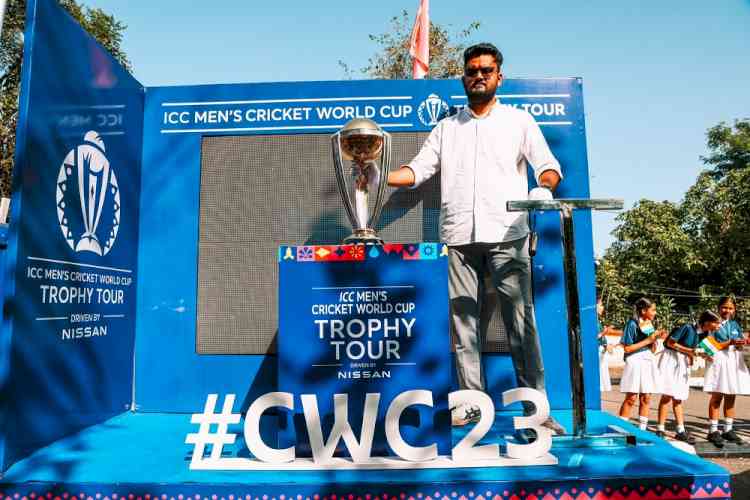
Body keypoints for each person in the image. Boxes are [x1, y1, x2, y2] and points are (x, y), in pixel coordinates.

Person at [387, 42, 564, 433]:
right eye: (472, 70)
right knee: (464, 327)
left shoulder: (519, 121)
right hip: (459, 241)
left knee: (521, 325)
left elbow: (549, 167)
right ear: (464, 78)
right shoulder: (447, 127)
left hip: (508, 236)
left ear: (499, 76)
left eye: (486, 70)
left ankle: (536, 410)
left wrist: (544, 189)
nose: (478, 75)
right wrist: (375, 172)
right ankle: (470, 407)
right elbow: (417, 170)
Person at [655, 310, 721, 444]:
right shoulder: (686, 327)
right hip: (671, 360)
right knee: (667, 395)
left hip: (683, 362)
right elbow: (670, 343)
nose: (718, 326)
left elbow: (697, 349)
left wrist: (704, 355)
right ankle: (660, 428)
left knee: (678, 397)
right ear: (708, 322)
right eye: (716, 323)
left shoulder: (704, 333)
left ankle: (680, 430)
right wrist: (689, 352)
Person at [703, 296, 750, 447]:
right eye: (724, 307)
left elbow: (738, 344)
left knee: (731, 395)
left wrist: (740, 344)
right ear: (718, 308)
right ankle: (713, 430)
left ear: (734, 310)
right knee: (717, 395)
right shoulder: (712, 323)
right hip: (719, 360)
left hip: (733, 361)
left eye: (730, 308)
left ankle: (728, 429)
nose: (727, 311)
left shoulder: (735, 324)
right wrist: (729, 343)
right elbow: (710, 345)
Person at [618, 298, 667, 431]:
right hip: (634, 361)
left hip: (648, 361)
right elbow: (627, 348)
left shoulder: (649, 324)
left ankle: (642, 430)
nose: (655, 313)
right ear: (644, 310)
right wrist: (648, 340)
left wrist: (654, 340)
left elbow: (652, 348)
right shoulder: (632, 324)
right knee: (631, 397)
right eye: (653, 310)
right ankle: (622, 430)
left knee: (646, 397)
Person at [596, 296, 618, 392]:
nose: (602, 307)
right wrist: (604, 332)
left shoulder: (597, 321)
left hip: (601, 350)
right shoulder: (592, 321)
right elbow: (593, 337)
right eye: (600, 305)